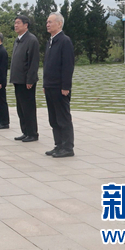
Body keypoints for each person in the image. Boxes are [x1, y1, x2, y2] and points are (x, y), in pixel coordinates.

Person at [43, 13, 75, 157]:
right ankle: (58, 144)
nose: (47, 24)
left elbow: (68, 66)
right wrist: (45, 84)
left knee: (63, 118)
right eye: (47, 22)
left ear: (59, 24)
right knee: (53, 118)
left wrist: (65, 87)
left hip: (60, 87)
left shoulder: (64, 41)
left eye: (50, 22)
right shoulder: (50, 41)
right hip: (50, 85)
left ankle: (68, 147)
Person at [9, 15, 39, 140]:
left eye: (18, 23)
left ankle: (32, 133)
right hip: (18, 79)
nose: (16, 25)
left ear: (26, 25)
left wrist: (30, 80)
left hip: (26, 81)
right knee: (20, 108)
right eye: (15, 23)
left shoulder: (31, 40)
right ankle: (25, 131)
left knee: (28, 108)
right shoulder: (18, 40)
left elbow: (33, 62)